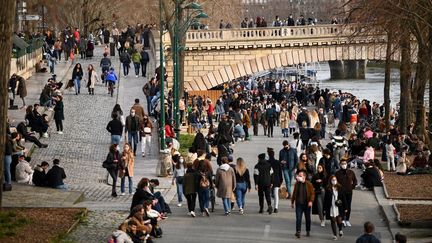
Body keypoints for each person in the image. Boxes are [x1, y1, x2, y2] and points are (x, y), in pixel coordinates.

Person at [291, 170, 315, 238]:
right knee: (298, 218)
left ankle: (308, 230)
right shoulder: (297, 184)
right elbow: (294, 193)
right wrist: (292, 202)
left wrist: (311, 201)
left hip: (307, 204)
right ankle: (298, 231)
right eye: (298, 176)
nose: (298, 177)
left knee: (308, 219)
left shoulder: (309, 184)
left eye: (300, 176)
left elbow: (312, 194)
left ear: (304, 176)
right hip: (299, 204)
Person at [324, 175, 347, 240]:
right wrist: (324, 209)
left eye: (335, 180)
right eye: (333, 180)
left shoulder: (340, 187)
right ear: (330, 181)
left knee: (339, 220)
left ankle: (340, 229)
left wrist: (346, 207)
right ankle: (335, 235)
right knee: (333, 220)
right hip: (331, 207)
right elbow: (325, 199)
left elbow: (343, 198)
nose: (334, 181)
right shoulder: (328, 188)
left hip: (339, 207)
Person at [335, 158, 357, 227]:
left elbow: (355, 180)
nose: (344, 165)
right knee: (342, 206)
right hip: (341, 192)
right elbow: (335, 182)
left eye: (345, 164)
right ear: (340, 165)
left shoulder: (350, 172)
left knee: (348, 206)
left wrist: (352, 187)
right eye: (342, 164)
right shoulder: (337, 173)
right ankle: (342, 219)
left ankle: (347, 219)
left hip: (349, 192)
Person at [193, 150, 213, 216]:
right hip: (206, 186)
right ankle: (206, 207)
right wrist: (212, 186)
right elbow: (210, 179)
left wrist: (195, 188)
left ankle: (202, 211)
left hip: (199, 187)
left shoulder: (197, 172)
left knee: (200, 199)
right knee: (207, 198)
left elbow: (196, 181)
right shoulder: (208, 172)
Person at [268, 148, 282, 213]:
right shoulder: (277, 162)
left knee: (269, 194)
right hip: (277, 179)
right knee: (276, 194)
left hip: (269, 180)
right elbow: (280, 172)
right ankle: (276, 208)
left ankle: (269, 206)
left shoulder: (267, 162)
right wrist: (281, 180)